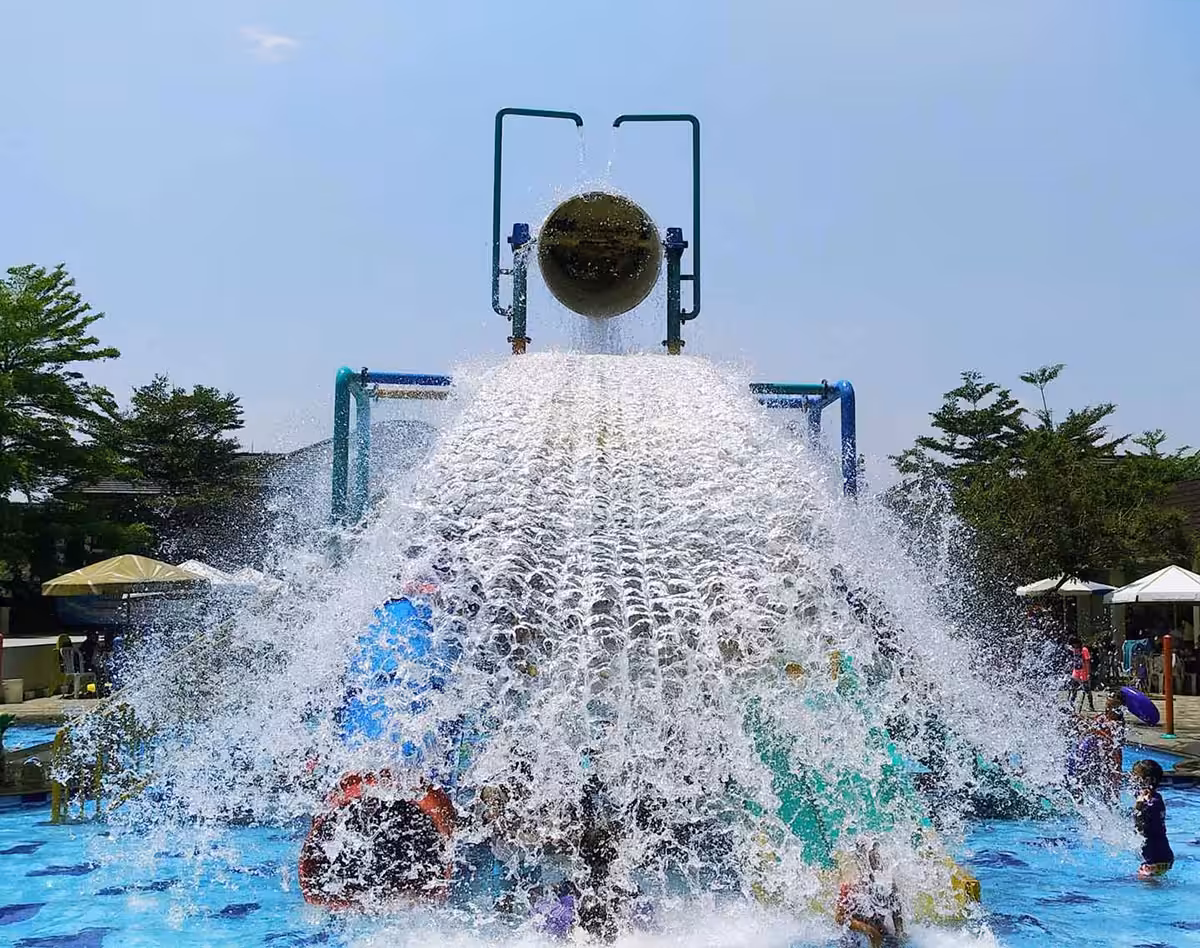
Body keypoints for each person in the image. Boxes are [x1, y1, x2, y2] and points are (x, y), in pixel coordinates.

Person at [835, 838, 904, 948]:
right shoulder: (851, 888)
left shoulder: (887, 885)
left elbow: (896, 910)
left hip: (878, 930)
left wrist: (899, 933)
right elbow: (840, 918)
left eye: (877, 861)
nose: (875, 865)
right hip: (856, 934)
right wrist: (869, 930)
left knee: (892, 941)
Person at [1131, 759, 1174, 879]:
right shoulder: (1156, 798)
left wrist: (1139, 806)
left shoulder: (1151, 804)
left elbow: (1142, 827)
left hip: (1154, 861)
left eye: (1135, 779)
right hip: (1161, 856)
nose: (1132, 782)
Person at [1066, 637, 1094, 712]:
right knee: (1073, 688)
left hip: (1083, 671)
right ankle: (1071, 704)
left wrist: (1088, 673)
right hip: (1076, 671)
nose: (1074, 646)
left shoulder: (1084, 650)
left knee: (1087, 689)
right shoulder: (1074, 649)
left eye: (1075, 644)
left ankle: (1091, 705)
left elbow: (1087, 662)